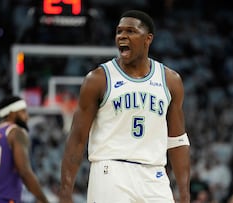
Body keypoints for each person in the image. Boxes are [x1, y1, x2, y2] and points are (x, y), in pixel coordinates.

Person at [60, 10, 191, 203]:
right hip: (110, 171)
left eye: (130, 31)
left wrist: (184, 193)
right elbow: (77, 139)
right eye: (119, 31)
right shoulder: (98, 79)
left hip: (154, 174)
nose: (122, 36)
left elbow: (177, 140)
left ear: (148, 39)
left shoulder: (170, 80)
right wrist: (65, 193)